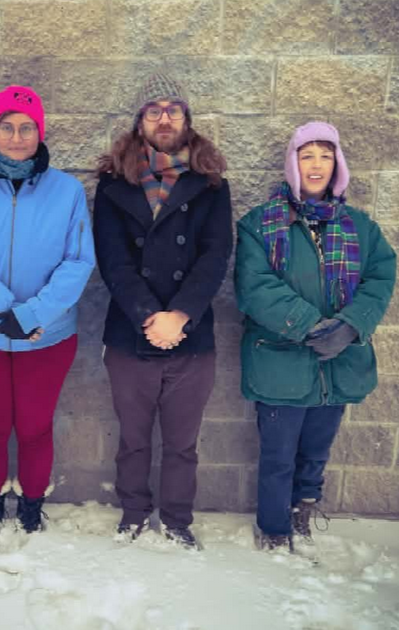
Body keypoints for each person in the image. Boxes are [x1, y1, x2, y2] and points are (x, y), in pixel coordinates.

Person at [0, 85, 95, 540]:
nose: (17, 137)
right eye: (6, 127)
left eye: (27, 127)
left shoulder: (66, 191)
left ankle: (31, 504)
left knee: (34, 427)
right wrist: (2, 310)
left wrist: (31, 315)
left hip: (46, 335)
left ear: (39, 132)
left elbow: (78, 260)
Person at [235, 121, 396, 552]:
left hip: (337, 363)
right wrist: (308, 324)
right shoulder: (260, 225)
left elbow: (380, 277)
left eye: (326, 155)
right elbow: (254, 286)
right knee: (278, 456)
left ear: (337, 164)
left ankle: (303, 511)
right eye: (307, 155)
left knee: (316, 451)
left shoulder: (360, 227)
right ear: (293, 163)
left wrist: (350, 325)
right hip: (281, 361)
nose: (317, 164)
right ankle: (274, 528)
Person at [93, 73, 233, 549]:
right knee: (133, 438)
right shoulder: (113, 185)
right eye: (153, 110)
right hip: (131, 332)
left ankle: (176, 519)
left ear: (187, 120)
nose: (164, 118)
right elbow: (113, 259)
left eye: (174, 109)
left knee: (182, 443)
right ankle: (133, 513)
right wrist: (150, 317)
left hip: (191, 336)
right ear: (140, 123)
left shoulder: (211, 185)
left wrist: (180, 316)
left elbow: (215, 256)